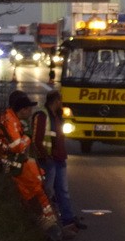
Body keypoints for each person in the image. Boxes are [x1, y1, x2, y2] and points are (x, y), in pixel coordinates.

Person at [0, 90, 76, 241]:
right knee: (37, 194)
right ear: (22, 109)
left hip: (18, 165)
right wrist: (27, 138)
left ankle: (53, 228)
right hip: (15, 167)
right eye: (29, 108)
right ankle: (50, 230)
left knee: (39, 193)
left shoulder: (13, 120)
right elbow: (17, 146)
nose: (31, 111)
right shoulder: (11, 121)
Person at [31, 89, 86, 231]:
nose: (61, 104)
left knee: (63, 191)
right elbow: (37, 139)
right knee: (47, 192)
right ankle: (47, 221)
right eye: (60, 101)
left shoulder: (56, 116)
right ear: (56, 101)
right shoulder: (43, 115)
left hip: (59, 158)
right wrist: (45, 156)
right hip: (49, 160)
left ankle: (67, 220)